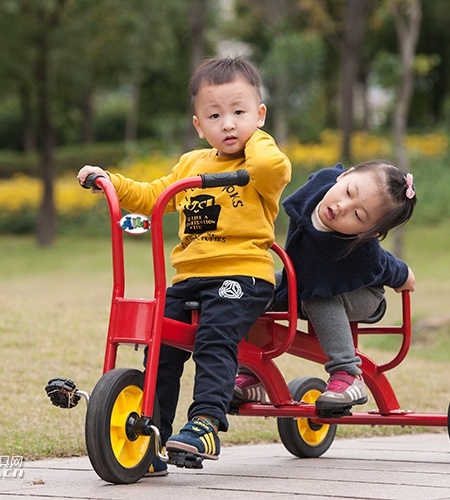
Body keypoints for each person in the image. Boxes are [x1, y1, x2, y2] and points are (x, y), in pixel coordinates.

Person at [78, 56, 291, 474]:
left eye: (239, 112)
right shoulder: (192, 164)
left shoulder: (260, 167)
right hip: (190, 279)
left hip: (242, 275)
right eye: (215, 115)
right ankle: (152, 435)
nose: (228, 124)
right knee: (161, 346)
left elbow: (269, 164)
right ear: (198, 125)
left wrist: (257, 138)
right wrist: (110, 180)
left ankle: (207, 421)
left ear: (260, 115)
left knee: (214, 337)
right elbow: (151, 195)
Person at [233, 160, 416, 412]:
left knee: (319, 297)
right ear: (344, 176)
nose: (342, 206)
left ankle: (348, 374)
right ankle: (251, 373)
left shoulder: (364, 250)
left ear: (370, 233)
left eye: (358, 216)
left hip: (360, 294)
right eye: (349, 192)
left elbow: (384, 265)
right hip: (304, 280)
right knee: (255, 283)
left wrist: (404, 275)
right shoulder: (318, 187)